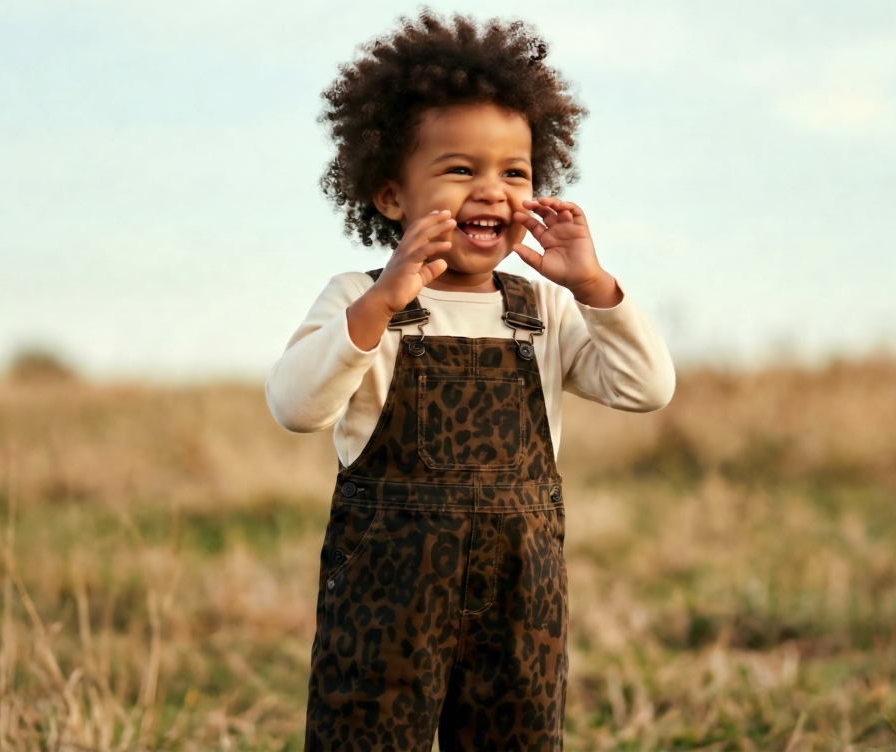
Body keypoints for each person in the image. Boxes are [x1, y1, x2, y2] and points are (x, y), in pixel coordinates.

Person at [266, 12, 675, 750]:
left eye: (513, 173)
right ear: (391, 196)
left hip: (521, 600)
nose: (491, 191)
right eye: (461, 170)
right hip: (385, 602)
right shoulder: (359, 299)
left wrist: (594, 286)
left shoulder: (543, 310)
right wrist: (380, 303)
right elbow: (295, 407)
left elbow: (645, 388)